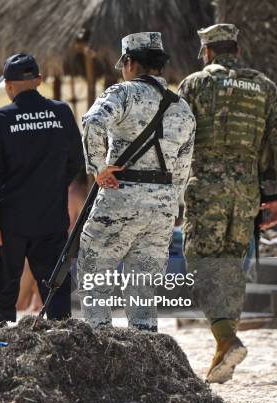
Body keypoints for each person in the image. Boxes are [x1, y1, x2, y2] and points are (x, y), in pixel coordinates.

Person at [178, 24, 277, 383]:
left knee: (199, 261)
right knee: (231, 267)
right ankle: (222, 350)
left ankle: (226, 339)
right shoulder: (264, 86)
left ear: (208, 52)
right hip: (247, 190)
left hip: (205, 188)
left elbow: (178, 140)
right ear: (237, 50)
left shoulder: (193, 84)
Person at [77, 32, 195, 331]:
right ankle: (145, 351)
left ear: (130, 62)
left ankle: (99, 343)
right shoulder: (182, 108)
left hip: (121, 195)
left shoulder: (123, 94)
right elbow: (182, 165)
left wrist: (97, 168)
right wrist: (175, 202)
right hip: (163, 205)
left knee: (95, 275)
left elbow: (92, 122)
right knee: (143, 288)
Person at [0, 53, 84, 324]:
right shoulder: (61, 112)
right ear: (39, 80)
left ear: (9, 85)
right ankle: (61, 336)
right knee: (55, 285)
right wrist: (53, 186)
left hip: (11, 218)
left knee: (3, 284)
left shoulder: (1, 118)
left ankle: (0, 334)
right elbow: (77, 161)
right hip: (51, 214)